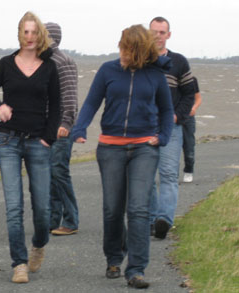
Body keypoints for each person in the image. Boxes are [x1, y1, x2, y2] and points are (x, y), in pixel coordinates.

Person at [72, 24, 173, 289]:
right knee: (112, 209)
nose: (123, 53)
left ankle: (136, 269)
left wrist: (162, 137)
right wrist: (80, 127)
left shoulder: (155, 75)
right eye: (122, 47)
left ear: (139, 51)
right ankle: (114, 257)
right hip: (110, 147)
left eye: (128, 49)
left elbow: (166, 109)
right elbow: (92, 102)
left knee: (139, 209)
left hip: (144, 147)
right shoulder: (108, 70)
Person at [0, 11, 60, 283]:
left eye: (34, 32)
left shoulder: (49, 67)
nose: (29, 37)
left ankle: (39, 243)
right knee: (14, 207)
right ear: (19, 34)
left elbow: (57, 107)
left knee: (42, 209)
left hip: (38, 142)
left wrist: (48, 138)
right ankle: (19, 262)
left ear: (40, 35)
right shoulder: (5, 64)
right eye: (25, 32)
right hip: (8, 142)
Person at [148, 16, 195, 240]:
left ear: (168, 35)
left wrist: (177, 116)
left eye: (162, 32)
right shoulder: (140, 61)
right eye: (154, 31)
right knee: (144, 176)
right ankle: (149, 219)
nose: (157, 35)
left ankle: (164, 220)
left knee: (167, 174)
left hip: (171, 127)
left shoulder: (180, 62)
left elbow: (190, 94)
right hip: (144, 128)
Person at [44, 22, 80, 236]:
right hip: (46, 127)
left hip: (61, 128)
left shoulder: (63, 61)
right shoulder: (43, 61)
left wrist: (66, 123)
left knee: (59, 170)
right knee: (49, 173)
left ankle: (71, 220)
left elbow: (70, 96)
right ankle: (52, 219)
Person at [182, 77, 202, 183]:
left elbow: (198, 99)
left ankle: (188, 170)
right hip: (172, 117)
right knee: (170, 148)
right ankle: (170, 173)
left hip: (188, 118)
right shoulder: (169, 79)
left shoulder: (192, 80)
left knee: (189, 147)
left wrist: (194, 108)